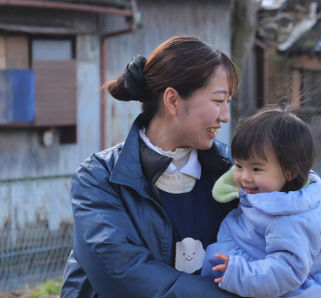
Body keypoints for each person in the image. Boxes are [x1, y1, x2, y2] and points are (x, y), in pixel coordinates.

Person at [60, 35, 240, 297]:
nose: (225, 116)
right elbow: (123, 275)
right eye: (218, 101)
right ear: (172, 101)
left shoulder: (236, 172)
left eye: (228, 103)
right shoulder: (99, 178)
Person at [201, 106, 321, 297]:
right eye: (239, 165)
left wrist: (239, 273)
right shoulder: (266, 195)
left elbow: (287, 271)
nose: (244, 177)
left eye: (256, 169)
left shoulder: (292, 218)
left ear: (290, 171)